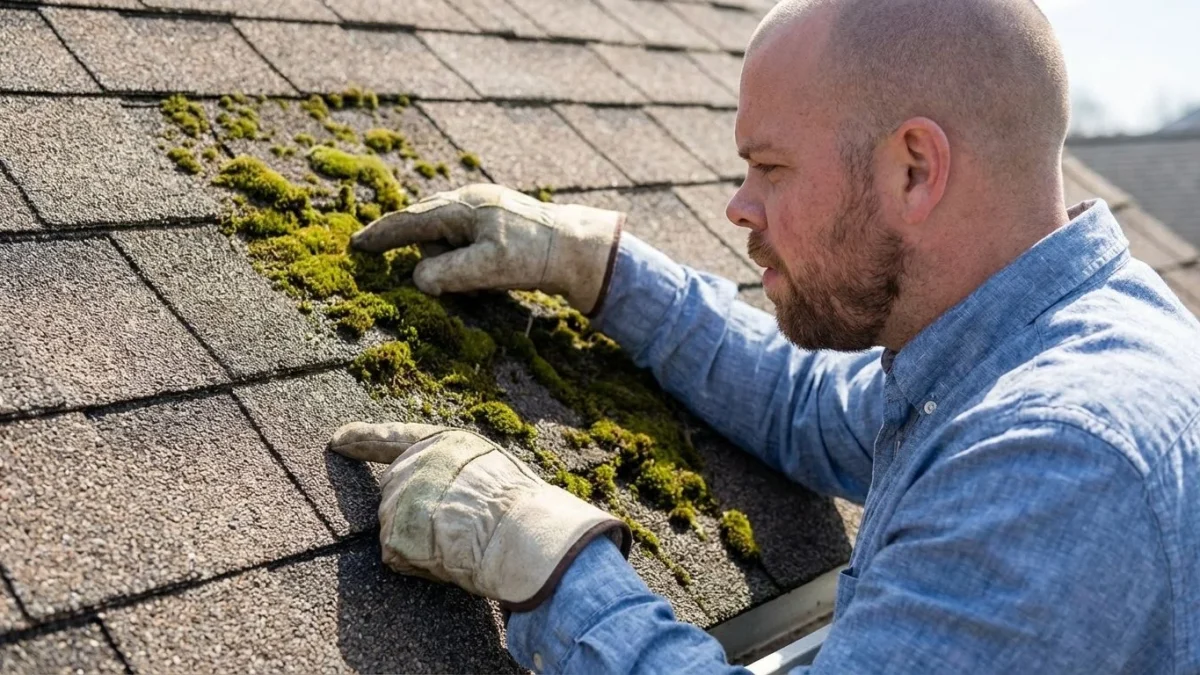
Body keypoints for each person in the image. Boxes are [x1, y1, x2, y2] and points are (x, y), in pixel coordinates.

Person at [328, 0, 1200, 672]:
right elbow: (812, 409)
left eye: (771, 168)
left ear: (915, 169)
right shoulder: (1022, 340)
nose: (739, 206)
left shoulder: (1059, 461)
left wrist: (551, 571)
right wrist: (604, 270)